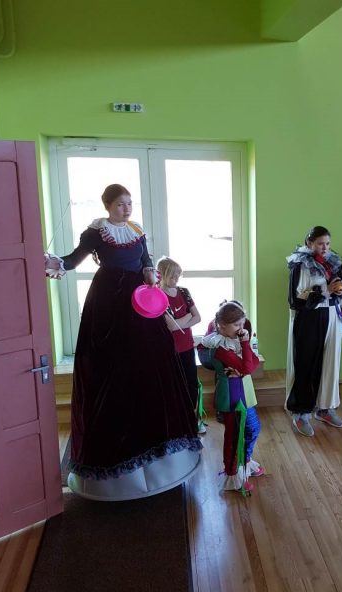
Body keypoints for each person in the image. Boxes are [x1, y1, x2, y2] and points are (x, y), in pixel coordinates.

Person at [43, 183, 201, 500]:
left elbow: (145, 262)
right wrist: (52, 262)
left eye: (129, 203)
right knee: (113, 367)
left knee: (150, 363)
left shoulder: (136, 231)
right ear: (107, 206)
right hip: (108, 302)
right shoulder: (96, 232)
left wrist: (151, 277)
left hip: (140, 303)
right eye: (120, 204)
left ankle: (159, 447)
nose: (126, 208)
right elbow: (73, 259)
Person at [286, 226, 342, 436]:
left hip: (332, 318)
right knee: (306, 364)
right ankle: (301, 412)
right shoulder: (299, 264)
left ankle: (325, 407)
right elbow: (295, 300)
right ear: (309, 243)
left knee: (330, 363)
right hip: (309, 319)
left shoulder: (334, 263)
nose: (325, 247)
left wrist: (341, 290)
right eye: (320, 243)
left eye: (328, 243)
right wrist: (325, 290)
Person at [200, 301, 264, 493]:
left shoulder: (233, 341)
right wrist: (245, 350)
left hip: (243, 391)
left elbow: (253, 363)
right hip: (232, 396)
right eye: (236, 325)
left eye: (242, 324)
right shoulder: (219, 347)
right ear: (221, 326)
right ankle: (233, 473)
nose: (241, 329)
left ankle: (245, 461)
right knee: (234, 436)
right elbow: (248, 366)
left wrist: (243, 365)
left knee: (252, 428)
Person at [156, 256, 206, 432]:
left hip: (187, 347)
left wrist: (180, 322)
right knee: (173, 387)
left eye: (178, 274)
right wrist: (187, 317)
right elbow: (170, 326)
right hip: (171, 350)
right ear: (162, 275)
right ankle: (176, 423)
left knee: (191, 384)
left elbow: (198, 317)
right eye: (172, 275)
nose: (176, 278)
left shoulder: (184, 292)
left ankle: (192, 419)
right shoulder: (159, 295)